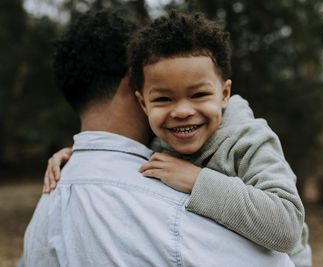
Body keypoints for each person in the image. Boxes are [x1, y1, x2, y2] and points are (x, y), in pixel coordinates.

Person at [23, 9, 295, 267]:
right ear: (141, 100)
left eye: (199, 94)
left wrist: (197, 181)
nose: (182, 111)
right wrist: (78, 151)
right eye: (164, 99)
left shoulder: (248, 139)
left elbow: (287, 226)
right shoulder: (160, 143)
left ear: (224, 94)